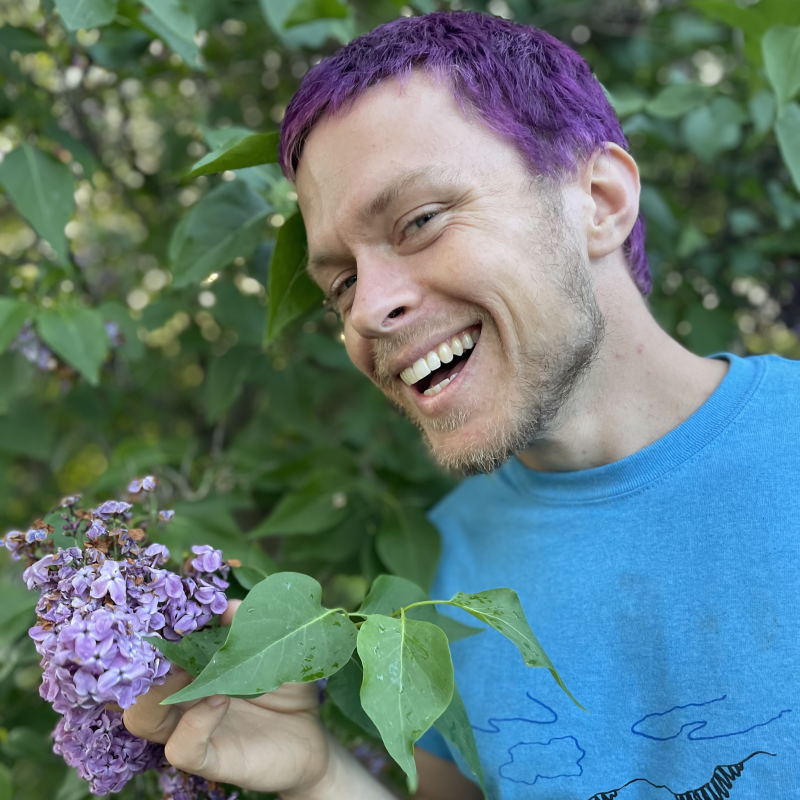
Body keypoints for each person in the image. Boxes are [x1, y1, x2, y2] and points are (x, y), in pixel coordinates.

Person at [124, 10, 800, 799]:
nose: (366, 311)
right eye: (339, 284)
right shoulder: (441, 568)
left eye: (420, 221)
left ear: (601, 198)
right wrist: (316, 776)